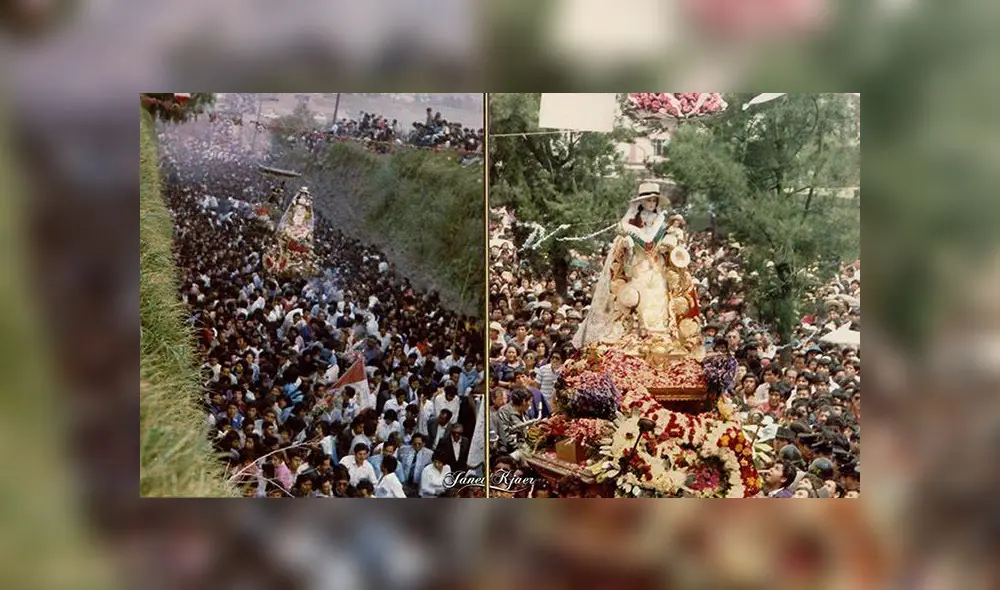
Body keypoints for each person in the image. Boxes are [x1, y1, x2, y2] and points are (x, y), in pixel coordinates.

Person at [571, 182, 703, 358]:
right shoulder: (630, 225)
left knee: (660, 298)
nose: (651, 203)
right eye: (648, 200)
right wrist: (628, 247)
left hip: (657, 268)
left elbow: (670, 247)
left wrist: (670, 245)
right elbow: (621, 255)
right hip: (637, 268)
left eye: (654, 200)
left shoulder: (662, 223)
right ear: (641, 202)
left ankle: (661, 336)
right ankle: (641, 333)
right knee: (639, 298)